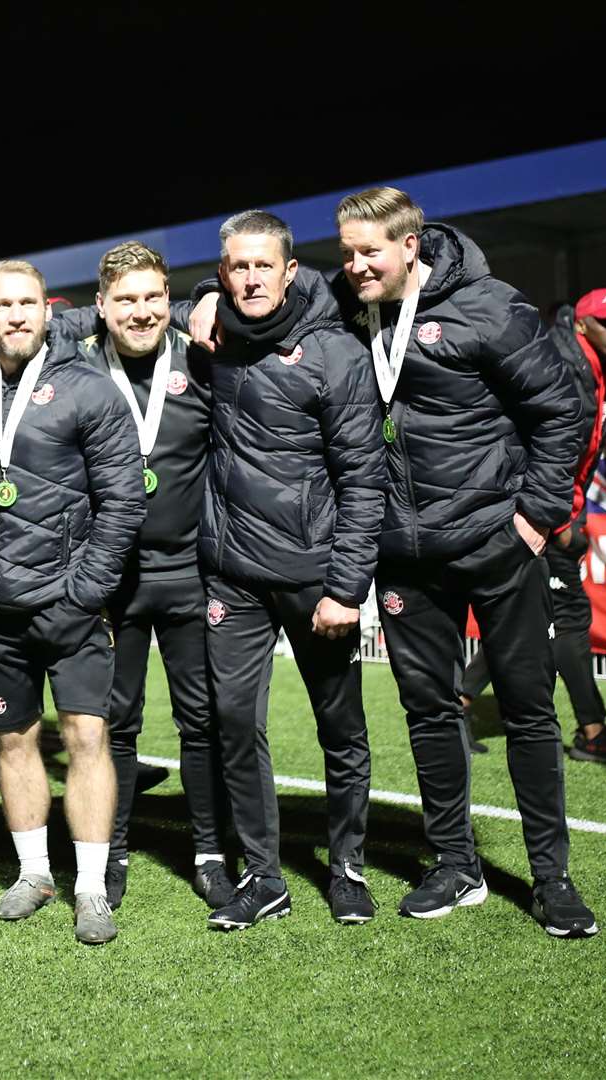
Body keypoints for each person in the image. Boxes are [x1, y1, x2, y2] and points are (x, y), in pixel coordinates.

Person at [333, 186, 597, 937]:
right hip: (405, 557)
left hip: (495, 542)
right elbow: (264, 295)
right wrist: (207, 304)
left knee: (528, 711)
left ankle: (553, 878)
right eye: (346, 253)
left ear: (411, 244)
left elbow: (560, 411)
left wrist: (537, 518)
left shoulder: (489, 305)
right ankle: (456, 866)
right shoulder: (348, 305)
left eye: (369, 252)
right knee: (428, 713)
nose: (354, 267)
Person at [189, 210, 386, 931]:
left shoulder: (336, 352)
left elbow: (365, 480)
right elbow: (130, 308)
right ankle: (264, 878)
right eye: (236, 268)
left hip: (315, 577)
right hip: (231, 574)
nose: (249, 279)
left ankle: (348, 867)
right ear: (222, 274)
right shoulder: (213, 338)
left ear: (289, 271)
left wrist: (345, 588)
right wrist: (195, 304)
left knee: (342, 728)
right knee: (236, 724)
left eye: (261, 266)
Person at [0, 259, 145, 945]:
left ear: (48, 310)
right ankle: (34, 873)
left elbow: (124, 501)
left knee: (87, 738)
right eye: (2, 304)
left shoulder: (89, 390)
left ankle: (91, 887)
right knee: (13, 740)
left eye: (26, 303)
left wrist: (86, 591)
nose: (14, 315)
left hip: (67, 603)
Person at [53, 241, 233, 912]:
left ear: (169, 301)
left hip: (190, 571)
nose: (141, 310)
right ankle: (116, 848)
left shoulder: (200, 360)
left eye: (153, 297)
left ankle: (211, 853)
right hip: (110, 577)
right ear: (101, 306)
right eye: (125, 299)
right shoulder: (73, 370)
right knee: (114, 725)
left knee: (202, 720)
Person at [460, 288, 606, 763]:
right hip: (539, 514)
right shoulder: (559, 360)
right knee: (570, 622)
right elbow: (534, 439)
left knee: (527, 621)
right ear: (581, 324)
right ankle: (593, 729)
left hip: (557, 511)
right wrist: (556, 521)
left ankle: (458, 704)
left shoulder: (604, 370)